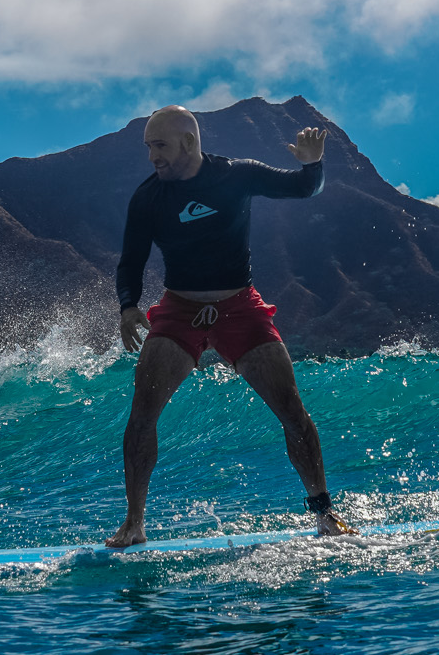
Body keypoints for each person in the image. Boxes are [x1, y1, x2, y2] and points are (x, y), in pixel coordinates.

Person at [108, 106, 355, 546]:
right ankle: (134, 523)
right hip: (180, 310)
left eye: (159, 146)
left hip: (240, 307)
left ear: (188, 142)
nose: (152, 158)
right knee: (142, 415)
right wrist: (128, 308)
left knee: (291, 410)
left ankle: (325, 514)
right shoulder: (148, 198)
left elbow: (304, 189)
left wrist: (313, 164)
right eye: (148, 147)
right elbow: (131, 262)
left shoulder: (237, 175)